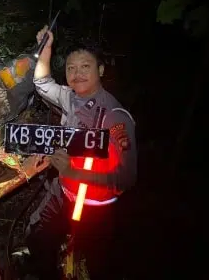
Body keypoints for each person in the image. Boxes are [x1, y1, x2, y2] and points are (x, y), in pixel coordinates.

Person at [25, 26, 137, 279]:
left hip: (96, 207)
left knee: (94, 260)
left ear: (100, 70)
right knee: (38, 235)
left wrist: (74, 171)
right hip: (62, 193)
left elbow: (126, 178)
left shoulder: (116, 117)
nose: (77, 74)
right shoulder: (69, 98)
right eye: (71, 68)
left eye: (85, 67)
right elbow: (42, 83)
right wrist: (47, 48)